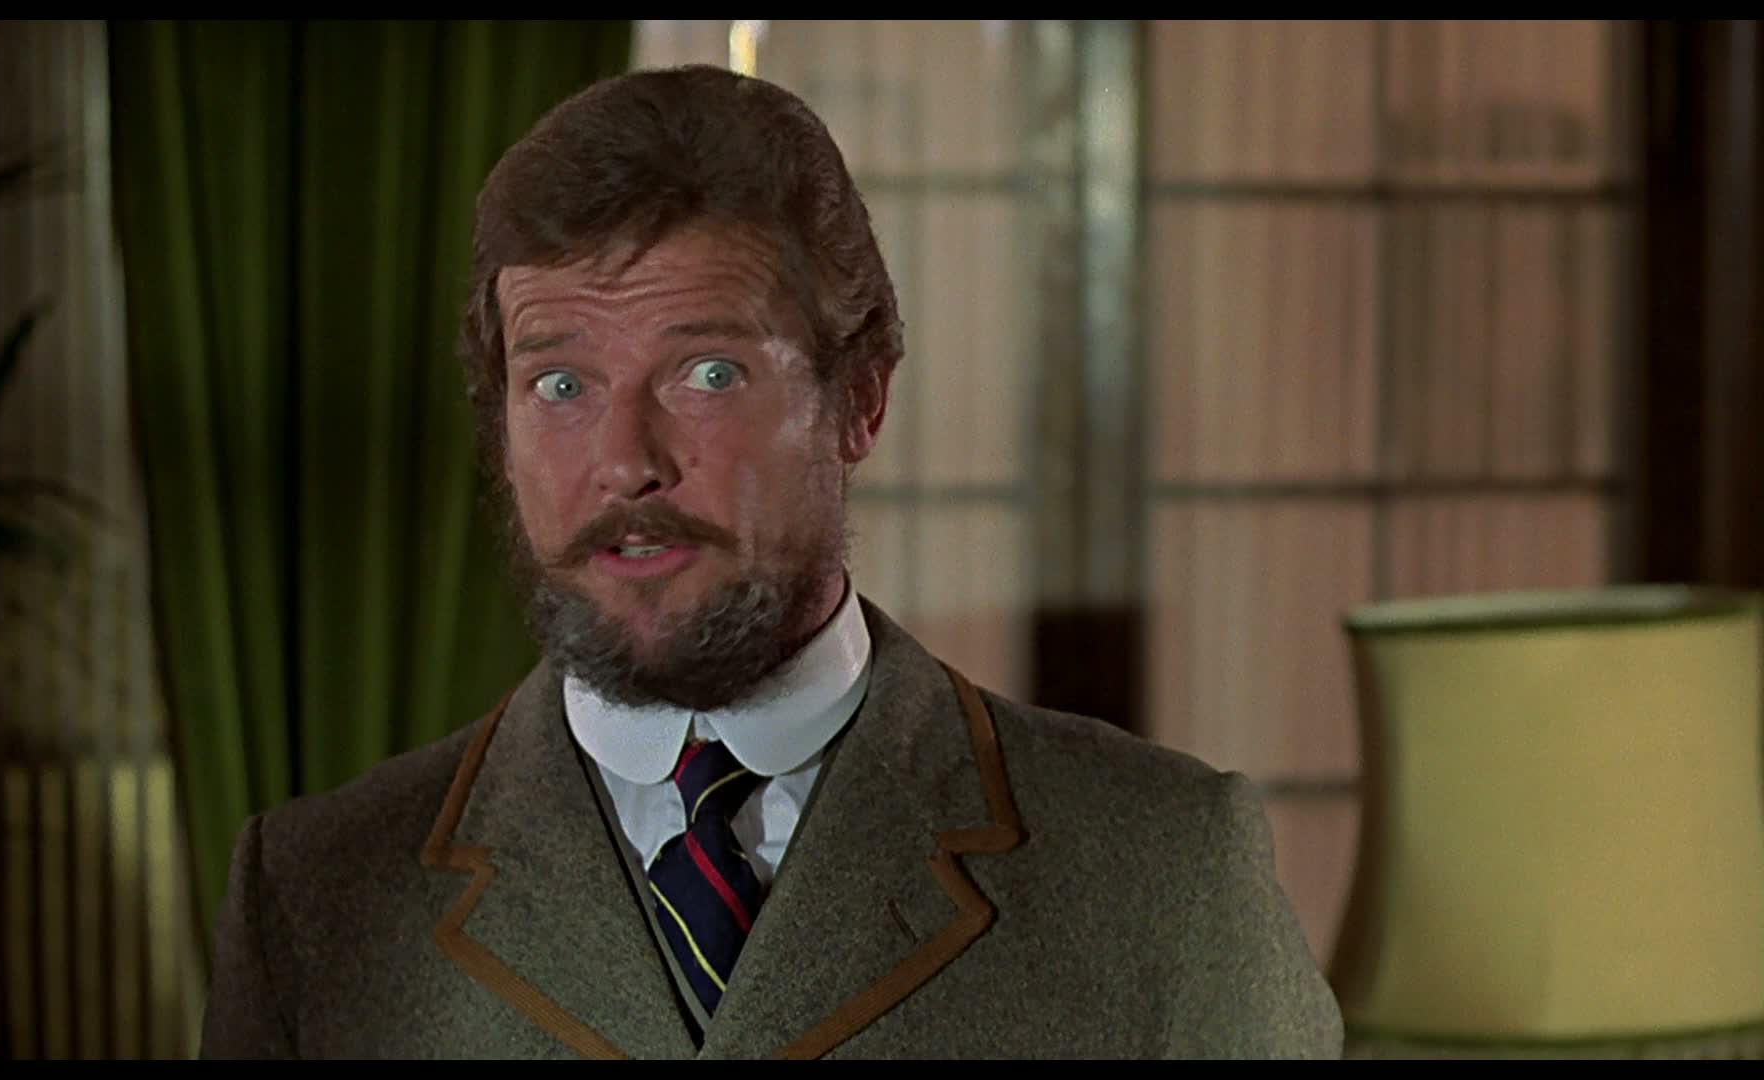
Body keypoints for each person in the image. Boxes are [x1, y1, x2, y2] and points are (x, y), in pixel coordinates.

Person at [197, 63, 1344, 1060]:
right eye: (560, 383)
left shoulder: (1160, 870)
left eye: (708, 374)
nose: (625, 463)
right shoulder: (317, 897)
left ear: (860, 398)